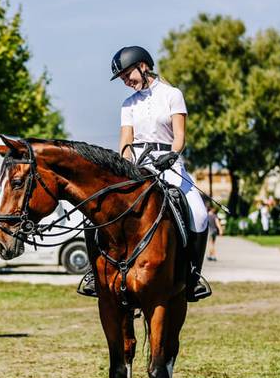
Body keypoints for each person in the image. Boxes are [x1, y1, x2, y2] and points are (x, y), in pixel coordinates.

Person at [78, 46, 211, 301]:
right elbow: (126, 142)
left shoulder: (173, 95)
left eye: (128, 75)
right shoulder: (128, 104)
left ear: (143, 66)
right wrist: (122, 167)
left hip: (169, 163)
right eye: (123, 79)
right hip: (137, 165)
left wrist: (171, 156)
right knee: (94, 213)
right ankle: (94, 273)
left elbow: (180, 136)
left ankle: (193, 276)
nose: (126, 82)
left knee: (199, 212)